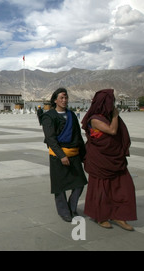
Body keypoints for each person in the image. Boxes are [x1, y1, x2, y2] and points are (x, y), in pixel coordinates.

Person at [81, 89, 136, 231]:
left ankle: (119, 215)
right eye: (111, 101)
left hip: (115, 158)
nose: (113, 104)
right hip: (101, 159)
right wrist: (116, 115)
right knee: (101, 189)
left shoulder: (107, 116)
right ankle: (101, 216)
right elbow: (112, 131)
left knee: (124, 186)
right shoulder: (95, 119)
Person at [41, 88, 87, 222]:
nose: (64, 100)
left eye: (66, 97)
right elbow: (50, 138)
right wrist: (61, 155)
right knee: (59, 186)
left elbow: (78, 136)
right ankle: (63, 212)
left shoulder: (71, 115)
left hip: (74, 154)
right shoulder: (49, 116)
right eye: (61, 98)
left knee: (80, 183)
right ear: (55, 100)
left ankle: (72, 208)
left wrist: (84, 155)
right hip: (58, 156)